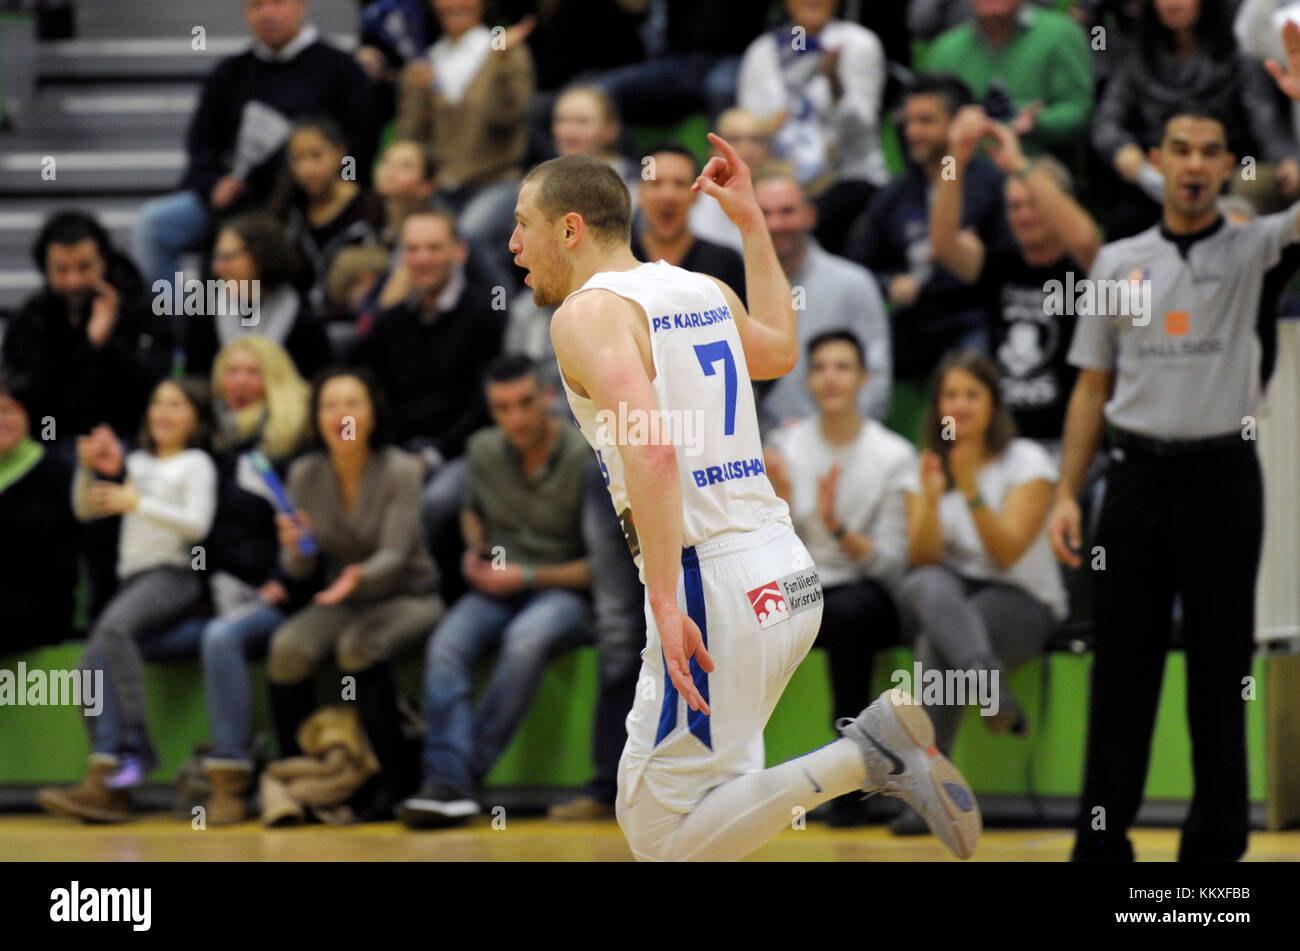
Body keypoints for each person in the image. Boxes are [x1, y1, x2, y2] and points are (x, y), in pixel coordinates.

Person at [509, 143, 980, 861]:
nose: (513, 245)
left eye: (523, 225)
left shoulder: (586, 313)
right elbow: (779, 351)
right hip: (787, 576)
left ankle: (869, 753)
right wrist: (753, 224)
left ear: (569, 230)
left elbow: (652, 448)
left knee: (657, 832)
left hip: (712, 586)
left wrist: (665, 600)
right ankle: (868, 752)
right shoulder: (701, 287)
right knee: (716, 817)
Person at [1048, 63, 1300, 859]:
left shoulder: (1257, 246)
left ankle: (1215, 847)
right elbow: (1091, 388)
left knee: (1221, 668)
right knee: (1123, 666)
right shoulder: (1118, 260)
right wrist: (1064, 493)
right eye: (1181, 149)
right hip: (1134, 482)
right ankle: (1102, 841)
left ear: (1229, 165)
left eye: (1211, 151)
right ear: (1157, 159)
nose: (1194, 163)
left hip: (1225, 477)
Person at [398, 355, 595, 827]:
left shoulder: (585, 456)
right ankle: (451, 783)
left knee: (525, 642)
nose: (517, 418)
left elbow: (600, 571)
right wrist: (474, 548)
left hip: (562, 592)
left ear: (549, 396)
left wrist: (525, 577)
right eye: (503, 408)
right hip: (495, 588)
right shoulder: (483, 449)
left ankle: (452, 780)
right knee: (445, 644)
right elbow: (470, 509)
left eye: (525, 403)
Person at [141, 336, 314, 824]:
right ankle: (120, 774)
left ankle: (230, 775)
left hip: (273, 599)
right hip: (214, 597)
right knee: (138, 637)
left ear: (273, 380)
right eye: (231, 372)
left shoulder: (288, 449)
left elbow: (302, 535)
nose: (239, 383)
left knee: (221, 638)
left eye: (252, 372)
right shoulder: (208, 447)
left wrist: (283, 578)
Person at [896, 350, 1066, 836]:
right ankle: (986, 683)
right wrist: (930, 500)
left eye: (973, 394)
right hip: (954, 599)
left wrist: (970, 490)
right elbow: (923, 559)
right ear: (937, 406)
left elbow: (1008, 551)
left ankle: (928, 799)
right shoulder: (924, 465)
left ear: (994, 404)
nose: (961, 404)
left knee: (936, 639)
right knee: (923, 585)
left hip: (1024, 599)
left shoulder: (1027, 461)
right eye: (951, 394)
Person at [37, 378, 217, 821]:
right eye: (157, 402)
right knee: (88, 668)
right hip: (133, 582)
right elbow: (85, 509)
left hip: (175, 575)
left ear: (196, 417)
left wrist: (137, 501)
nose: (164, 411)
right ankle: (109, 784)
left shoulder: (197, 463)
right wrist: (87, 468)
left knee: (114, 629)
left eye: (177, 404)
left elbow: (197, 525)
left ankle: (134, 748)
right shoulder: (134, 461)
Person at [269, 368, 445, 818]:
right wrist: (295, 548)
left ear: (371, 415)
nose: (340, 414)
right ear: (316, 418)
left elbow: (397, 553)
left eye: (352, 403)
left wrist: (357, 576)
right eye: (329, 404)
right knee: (286, 649)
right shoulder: (305, 474)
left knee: (356, 647)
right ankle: (306, 781)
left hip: (409, 595)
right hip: (343, 598)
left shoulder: (401, 470)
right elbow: (300, 568)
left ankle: (394, 778)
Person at [763, 330, 918, 827]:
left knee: (851, 611)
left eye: (843, 366)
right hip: (804, 583)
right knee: (740, 606)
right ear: (808, 379)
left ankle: (849, 779)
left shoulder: (892, 455)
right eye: (821, 366)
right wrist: (780, 507)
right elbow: (769, 552)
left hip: (864, 587)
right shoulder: (787, 445)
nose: (831, 377)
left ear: (864, 379)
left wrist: (837, 529)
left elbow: (893, 565)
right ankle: (730, 776)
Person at [131, 0, 375, 288]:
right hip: (237, 201)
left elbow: (363, 141)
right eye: (257, 5)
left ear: (300, 6)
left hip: (308, 202)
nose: (268, 13)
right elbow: (201, 145)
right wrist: (213, 184)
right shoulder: (229, 73)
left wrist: (330, 184)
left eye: (278, 3)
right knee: (153, 224)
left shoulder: (341, 68)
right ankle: (173, 324)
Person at [930, 107, 1102, 457]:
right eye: (1015, 206)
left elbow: (1085, 239)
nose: (1024, 215)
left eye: (1034, 203)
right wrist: (955, 158)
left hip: (1071, 446)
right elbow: (943, 245)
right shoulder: (1000, 263)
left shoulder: (1087, 267)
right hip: (1006, 446)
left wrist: (1020, 164)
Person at [354, 207, 506, 599]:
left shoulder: (486, 315)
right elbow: (374, 397)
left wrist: (433, 455)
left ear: (459, 252)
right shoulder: (388, 323)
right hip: (399, 451)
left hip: (460, 451)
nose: (423, 258)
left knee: (434, 502)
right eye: (414, 249)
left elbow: (483, 407)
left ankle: (431, 598)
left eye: (434, 248)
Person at [848, 75, 1012, 381]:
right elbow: (857, 265)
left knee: (971, 367)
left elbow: (1016, 261)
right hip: (917, 316)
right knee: (848, 359)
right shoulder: (896, 193)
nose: (912, 132)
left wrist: (979, 258)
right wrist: (889, 283)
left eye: (926, 121)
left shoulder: (992, 184)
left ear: (955, 125)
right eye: (909, 121)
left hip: (977, 314)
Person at [1094, 0, 1300, 238]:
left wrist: (1286, 158)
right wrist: (1122, 149)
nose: (1172, 3)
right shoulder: (1137, 53)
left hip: (1235, 165)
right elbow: (1107, 118)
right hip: (1158, 172)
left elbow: (1264, 119)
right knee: (1127, 219)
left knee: (1249, 187)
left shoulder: (1237, 50)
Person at [3, 211, 171, 446]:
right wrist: (84, 348)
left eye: (84, 267)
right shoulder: (31, 319)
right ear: (46, 270)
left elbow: (156, 387)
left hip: (130, 442)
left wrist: (107, 345)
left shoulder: (143, 309)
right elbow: (26, 396)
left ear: (104, 261)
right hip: (53, 445)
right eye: (62, 270)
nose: (74, 281)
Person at [397, 0, 535, 285]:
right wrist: (416, 91)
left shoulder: (505, 48)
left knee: (469, 235)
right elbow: (411, 136)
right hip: (443, 185)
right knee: (414, 238)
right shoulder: (428, 58)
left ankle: (505, 317)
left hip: (498, 180)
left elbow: (509, 116)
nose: (455, 4)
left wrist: (501, 64)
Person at [737, 0, 889, 256]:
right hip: (783, 178)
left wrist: (835, 86)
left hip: (847, 176)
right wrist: (767, 129)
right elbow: (748, 127)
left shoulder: (858, 44)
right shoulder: (762, 52)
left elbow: (862, 128)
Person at [752, 164, 892, 427]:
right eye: (764, 213)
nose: (775, 224)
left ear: (810, 215)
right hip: (756, 454)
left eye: (787, 211)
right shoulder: (730, 286)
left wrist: (821, 440)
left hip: (838, 449)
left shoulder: (854, 284)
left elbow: (876, 380)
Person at [921, 0, 1094, 171]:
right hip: (966, 174)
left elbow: (1080, 109)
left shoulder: (1062, 34)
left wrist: (1038, 123)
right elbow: (927, 122)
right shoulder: (945, 49)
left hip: (1039, 170)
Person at [181, 213, 334, 380]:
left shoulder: (304, 321)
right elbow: (193, 385)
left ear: (261, 257)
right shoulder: (204, 317)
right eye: (217, 257)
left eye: (228, 257)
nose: (218, 268)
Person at [0, 368, 79, 651]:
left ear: (27, 416)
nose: (2, 421)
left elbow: (49, 556)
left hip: (39, 605)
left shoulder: (55, 471)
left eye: (9, 411)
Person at [272, 115, 378, 314]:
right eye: (298, 159)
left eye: (316, 156)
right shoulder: (289, 212)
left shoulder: (368, 207)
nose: (308, 169)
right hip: (300, 321)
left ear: (340, 153)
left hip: (350, 321)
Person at [633, 142, 746, 301]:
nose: (668, 195)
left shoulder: (726, 262)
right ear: (640, 191)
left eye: (679, 183)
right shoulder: (615, 260)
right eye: (656, 183)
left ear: (697, 194)